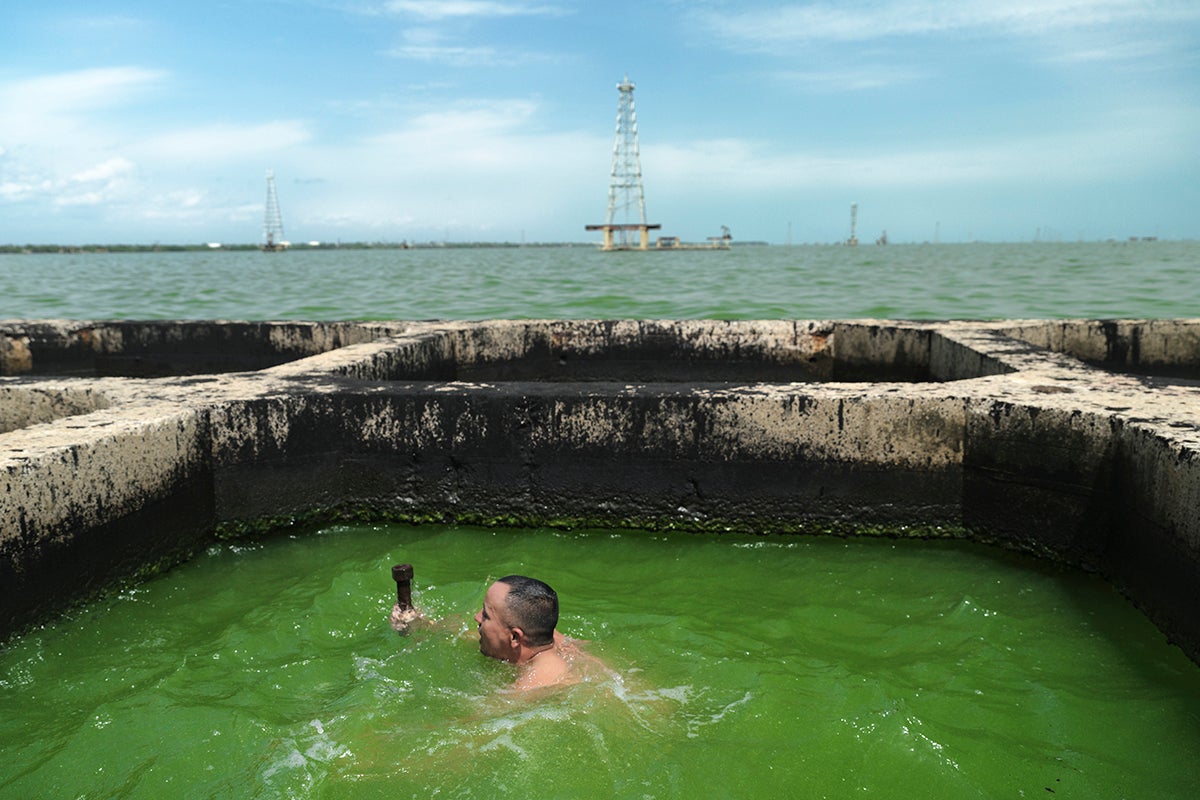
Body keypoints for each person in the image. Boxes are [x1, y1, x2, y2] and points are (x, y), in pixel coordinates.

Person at [391, 574, 576, 691]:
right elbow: (461, 635)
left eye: (486, 615)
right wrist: (419, 624)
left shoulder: (535, 687)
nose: (476, 617)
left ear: (514, 637)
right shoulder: (543, 634)